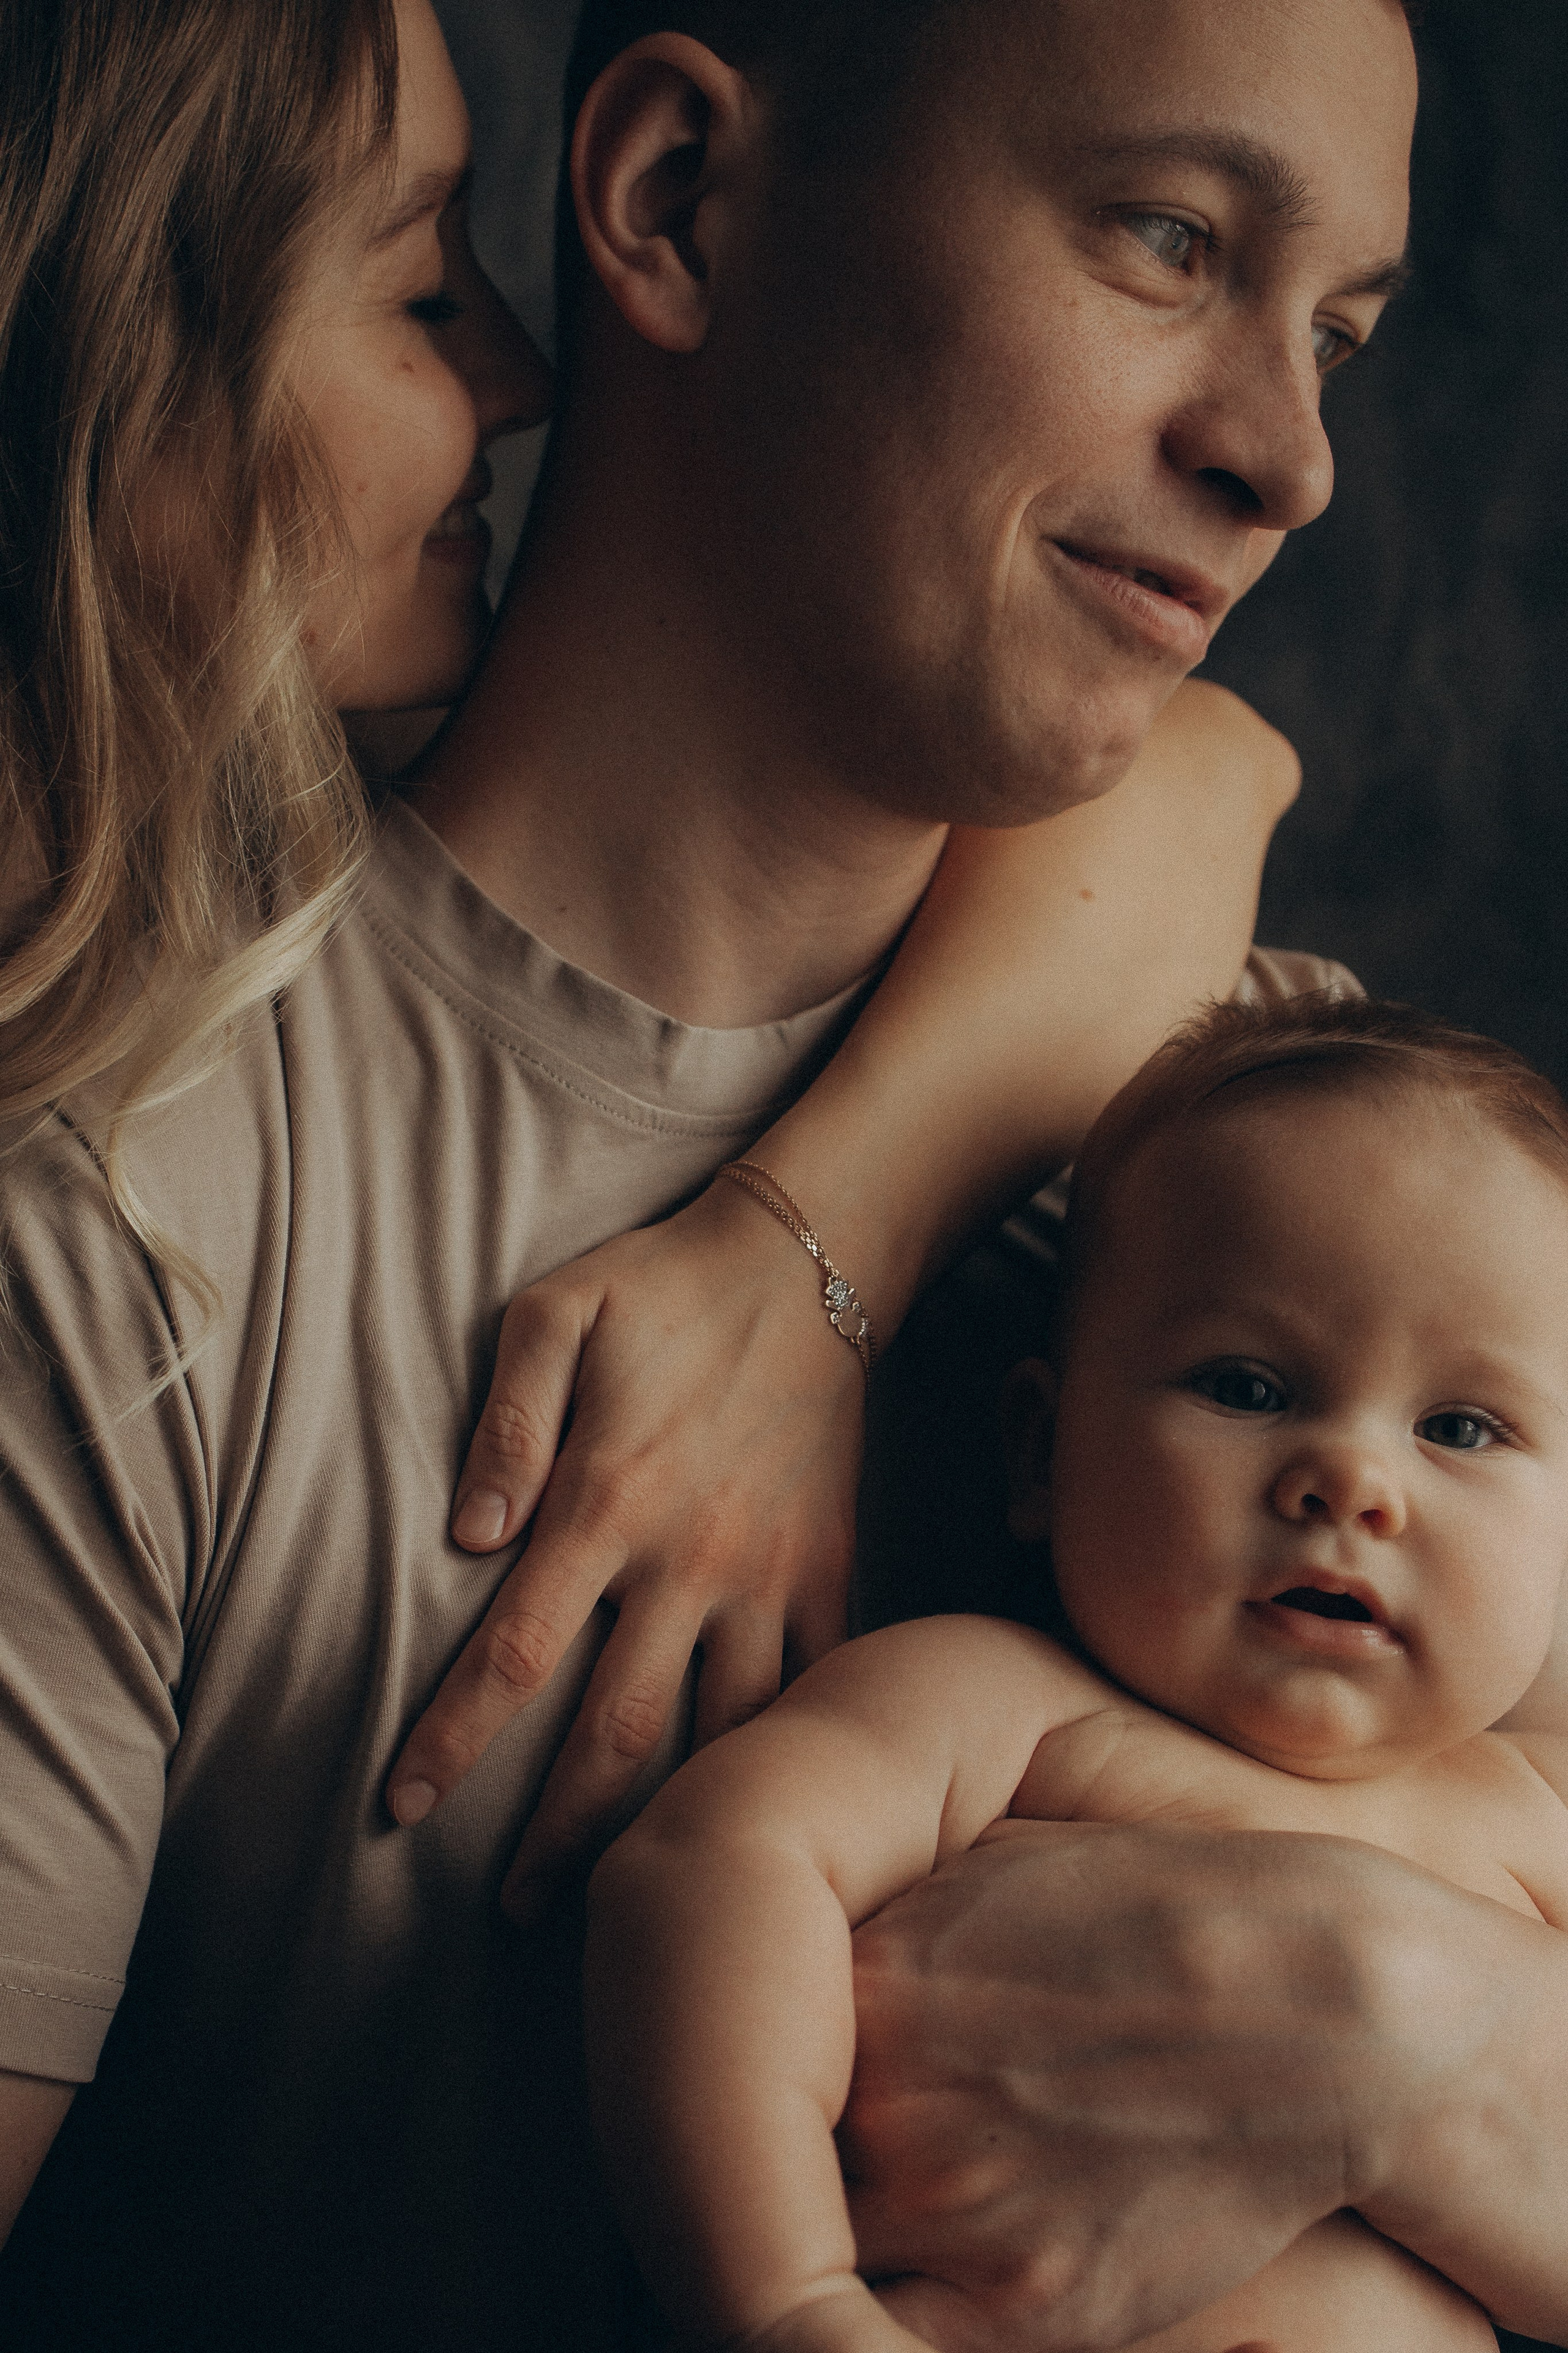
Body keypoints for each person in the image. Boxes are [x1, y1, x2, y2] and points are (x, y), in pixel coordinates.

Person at [10, 1, 1553, 2350]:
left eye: (1337, 333)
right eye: (1168, 239)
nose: (1290, 458)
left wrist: (1430, 2042)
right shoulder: (118, 1217)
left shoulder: (1319, 1185)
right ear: (676, 202)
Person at [585, 994, 1568, 2353]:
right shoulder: (992, 1703)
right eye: (1246, 1387)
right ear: (1042, 1450)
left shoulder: (1533, 1811)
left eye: (1458, 1425)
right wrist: (789, 2297)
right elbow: (710, 1870)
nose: (1351, 1479)